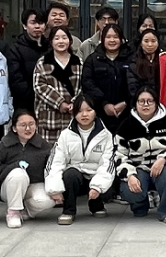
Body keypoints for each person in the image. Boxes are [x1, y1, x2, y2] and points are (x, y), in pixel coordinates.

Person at [114, 86, 166, 221]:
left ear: (156, 103)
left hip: (163, 167)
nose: (146, 105)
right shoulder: (125, 126)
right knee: (129, 188)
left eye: (150, 101)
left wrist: (163, 158)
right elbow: (119, 156)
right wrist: (130, 175)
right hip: (138, 169)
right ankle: (140, 206)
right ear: (136, 103)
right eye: (141, 101)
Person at [45, 94, 115, 224]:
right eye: (79, 111)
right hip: (75, 177)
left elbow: (107, 164)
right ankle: (68, 211)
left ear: (95, 112)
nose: (84, 115)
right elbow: (56, 161)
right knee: (70, 174)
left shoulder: (106, 135)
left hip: (94, 176)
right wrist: (54, 188)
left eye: (89, 110)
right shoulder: (66, 135)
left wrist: (97, 186)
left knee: (106, 182)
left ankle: (96, 205)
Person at [0, 109, 53, 228]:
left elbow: (51, 168)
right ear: (14, 128)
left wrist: (55, 189)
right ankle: (13, 212)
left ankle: (26, 212)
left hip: (33, 186)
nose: (28, 129)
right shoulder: (5, 145)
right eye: (23, 125)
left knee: (48, 200)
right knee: (18, 174)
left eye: (31, 124)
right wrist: (14, 166)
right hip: (9, 188)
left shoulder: (43, 145)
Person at [34, 25, 83, 144]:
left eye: (64, 38)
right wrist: (60, 102)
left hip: (72, 115)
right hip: (49, 118)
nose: (61, 41)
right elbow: (39, 86)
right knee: (48, 151)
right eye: (57, 38)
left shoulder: (78, 62)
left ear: (70, 41)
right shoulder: (43, 62)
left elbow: (84, 85)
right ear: (51, 41)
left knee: (71, 149)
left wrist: (75, 103)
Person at [81, 23, 136, 130]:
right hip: (99, 113)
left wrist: (126, 102)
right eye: (108, 37)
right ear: (103, 39)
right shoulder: (93, 60)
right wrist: (104, 103)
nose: (112, 40)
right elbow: (87, 83)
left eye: (115, 37)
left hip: (127, 113)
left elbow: (136, 82)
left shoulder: (131, 58)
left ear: (121, 39)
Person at [5, 8, 47, 116]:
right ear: (24, 25)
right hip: (24, 106)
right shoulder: (15, 49)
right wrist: (36, 96)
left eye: (41, 23)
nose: (37, 26)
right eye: (33, 23)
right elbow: (16, 81)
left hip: (49, 104)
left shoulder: (50, 47)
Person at [134, 28, 163, 92]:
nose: (150, 44)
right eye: (146, 41)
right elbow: (132, 87)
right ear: (141, 43)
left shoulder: (163, 61)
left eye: (153, 41)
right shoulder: (133, 63)